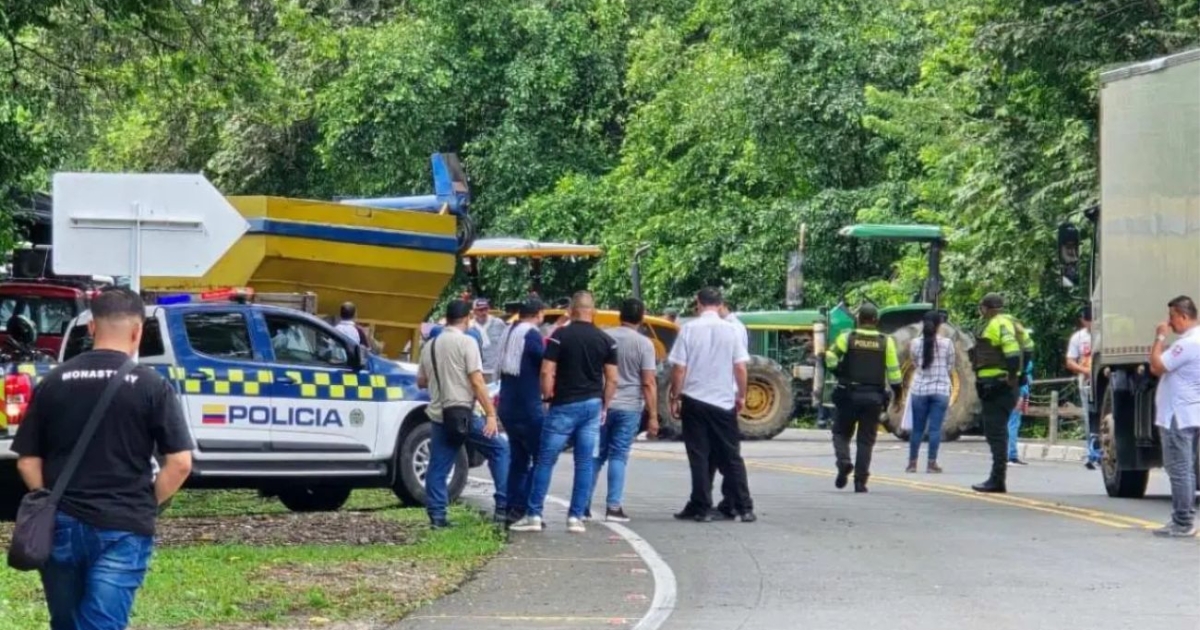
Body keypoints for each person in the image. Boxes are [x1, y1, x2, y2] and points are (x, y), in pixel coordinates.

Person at [12, 288, 194, 630]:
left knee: (66, 623)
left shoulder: (53, 382)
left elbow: (26, 461)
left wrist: (50, 498)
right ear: (138, 331)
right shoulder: (151, 385)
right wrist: (146, 502)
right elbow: (180, 462)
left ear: (92, 328)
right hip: (123, 526)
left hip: (60, 524)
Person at [510, 291, 618, 534]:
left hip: (563, 405)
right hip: (592, 406)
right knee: (584, 463)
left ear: (570, 311)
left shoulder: (560, 336)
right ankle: (575, 517)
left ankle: (534, 514)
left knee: (545, 460)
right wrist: (605, 404)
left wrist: (547, 396)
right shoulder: (606, 340)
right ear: (594, 311)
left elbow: (547, 371)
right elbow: (612, 379)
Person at [668, 288, 756, 523]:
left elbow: (679, 369)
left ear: (698, 303)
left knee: (699, 456)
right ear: (720, 304)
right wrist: (742, 396)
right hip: (723, 400)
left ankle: (702, 507)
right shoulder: (732, 330)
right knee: (731, 455)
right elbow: (740, 367)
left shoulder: (688, 329)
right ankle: (744, 507)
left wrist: (675, 396)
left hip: (694, 400)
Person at [417, 300, 503, 528]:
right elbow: (477, 381)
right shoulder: (467, 342)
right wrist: (491, 414)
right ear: (466, 319)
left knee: (438, 465)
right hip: (463, 412)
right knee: (500, 449)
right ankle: (504, 506)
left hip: (438, 413)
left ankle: (437, 516)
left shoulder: (430, 346)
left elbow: (421, 381)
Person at [588, 298, 659, 523]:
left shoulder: (604, 336)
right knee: (619, 455)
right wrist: (654, 415)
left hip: (603, 403)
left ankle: (582, 505)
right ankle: (614, 507)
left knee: (596, 456)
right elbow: (648, 382)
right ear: (642, 316)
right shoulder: (644, 344)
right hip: (629, 407)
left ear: (620, 315)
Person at [825, 304, 902, 492]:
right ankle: (860, 482)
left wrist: (838, 371)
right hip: (874, 398)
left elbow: (829, 357)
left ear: (858, 319)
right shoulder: (886, 342)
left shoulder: (847, 338)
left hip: (849, 395)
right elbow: (894, 373)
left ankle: (844, 461)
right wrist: (898, 395)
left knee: (841, 433)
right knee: (866, 441)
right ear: (876, 321)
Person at [1148, 295, 1200, 538]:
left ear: (1184, 316)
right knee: (1185, 468)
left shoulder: (1188, 343)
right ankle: (1182, 517)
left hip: (1178, 414)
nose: (1169, 323)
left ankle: (1183, 521)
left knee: (1179, 469)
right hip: (1190, 412)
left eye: (1172, 317)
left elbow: (1157, 367)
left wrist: (1159, 338)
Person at [497, 298, 546, 526]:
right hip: (528, 405)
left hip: (507, 404)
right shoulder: (532, 335)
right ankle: (525, 507)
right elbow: (545, 364)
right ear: (538, 314)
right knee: (540, 458)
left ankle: (510, 506)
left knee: (518, 459)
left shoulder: (509, 332)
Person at [970, 293, 1023, 494]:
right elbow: (1028, 348)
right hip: (1007, 385)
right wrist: (1021, 375)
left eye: (982, 308)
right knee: (999, 430)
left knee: (995, 433)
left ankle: (997, 479)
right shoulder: (1014, 323)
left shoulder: (996, 325)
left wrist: (1010, 374)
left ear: (987, 308)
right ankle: (996, 477)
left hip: (996, 385)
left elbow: (1011, 352)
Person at [906, 310, 953, 473]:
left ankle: (912, 464)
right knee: (934, 429)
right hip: (940, 390)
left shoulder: (914, 343)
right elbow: (950, 366)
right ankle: (931, 463)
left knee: (917, 429)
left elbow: (914, 363)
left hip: (919, 390)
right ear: (939, 325)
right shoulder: (947, 343)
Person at [1066, 307, 1101, 470]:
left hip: (1101, 380)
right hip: (1086, 382)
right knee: (1089, 418)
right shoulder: (1078, 337)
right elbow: (1070, 361)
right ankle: (1092, 452)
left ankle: (1102, 451)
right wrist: (1085, 371)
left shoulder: (1104, 335)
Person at [471, 298, 508, 383]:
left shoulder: (498, 323)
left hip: (497, 370)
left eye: (486, 309)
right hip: (478, 371)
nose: (484, 312)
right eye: (480, 310)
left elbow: (506, 343)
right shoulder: (470, 327)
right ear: (474, 311)